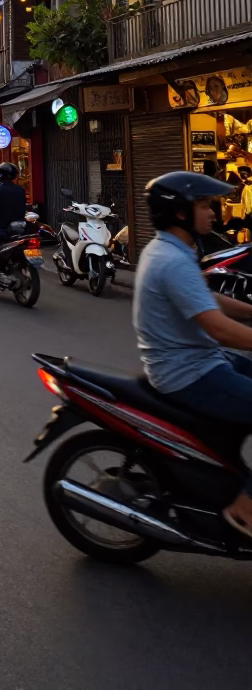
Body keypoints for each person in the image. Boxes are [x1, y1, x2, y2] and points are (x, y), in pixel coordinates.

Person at [133, 170, 252, 540]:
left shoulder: (175, 251)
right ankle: (244, 507)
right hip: (189, 373)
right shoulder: (172, 260)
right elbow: (216, 326)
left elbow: (207, 299)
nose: (213, 213)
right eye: (204, 205)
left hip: (200, 361)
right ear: (181, 212)